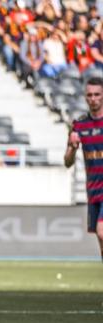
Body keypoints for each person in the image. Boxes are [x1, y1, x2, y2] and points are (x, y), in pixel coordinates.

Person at [65, 76, 103, 262]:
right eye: (90, 95)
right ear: (85, 97)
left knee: (102, 232)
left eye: (97, 94)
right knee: (100, 240)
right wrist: (72, 147)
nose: (94, 98)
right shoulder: (79, 125)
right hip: (93, 190)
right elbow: (67, 162)